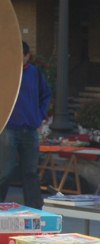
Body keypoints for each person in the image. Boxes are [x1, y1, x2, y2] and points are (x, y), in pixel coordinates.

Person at [0, 41, 50, 209]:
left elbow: (46, 95)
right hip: (8, 128)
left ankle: (35, 208)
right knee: (5, 171)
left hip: (29, 128)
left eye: (20, 55)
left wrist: (39, 116)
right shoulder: (4, 71)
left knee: (30, 172)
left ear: (27, 56)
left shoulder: (35, 74)